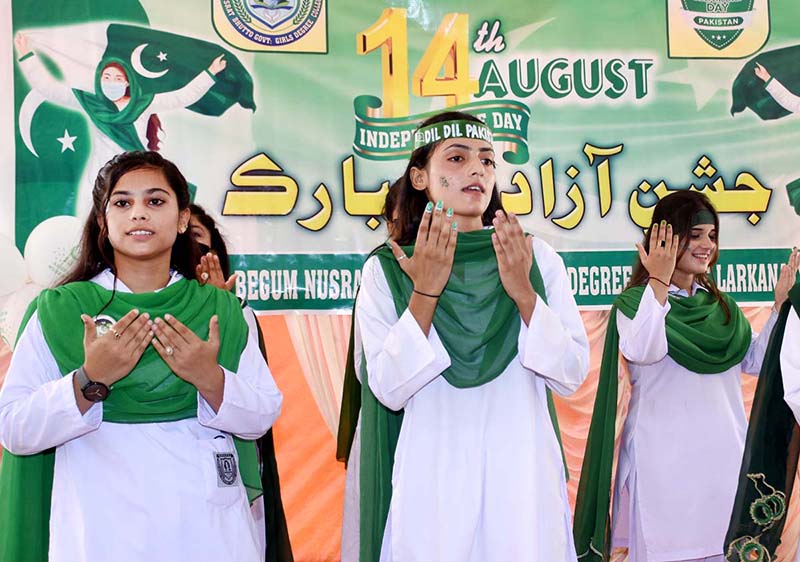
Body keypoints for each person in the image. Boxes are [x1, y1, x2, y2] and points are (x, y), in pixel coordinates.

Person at [0, 151, 283, 562]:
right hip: (101, 532)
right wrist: (89, 381)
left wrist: (210, 379)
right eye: (122, 202)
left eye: (155, 201)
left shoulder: (221, 311)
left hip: (208, 532)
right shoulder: (59, 311)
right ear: (103, 219)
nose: (138, 214)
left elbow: (262, 416)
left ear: (183, 218)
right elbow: (15, 429)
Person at [342, 110, 590, 562]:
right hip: (432, 483)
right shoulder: (388, 269)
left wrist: (523, 292)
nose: (478, 170)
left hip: (521, 479)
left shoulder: (535, 257)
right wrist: (425, 290)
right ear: (420, 177)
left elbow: (571, 373)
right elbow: (388, 389)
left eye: (488, 161)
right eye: (456, 158)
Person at [574, 190, 799, 562]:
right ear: (665, 239)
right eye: (695, 235)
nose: (706, 245)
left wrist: (778, 308)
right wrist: (658, 283)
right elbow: (645, 349)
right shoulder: (635, 304)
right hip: (665, 470)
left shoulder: (722, 307)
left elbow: (756, 362)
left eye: (711, 236)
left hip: (724, 465)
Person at [14, 32, 226, 217]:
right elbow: (48, 88)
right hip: (101, 178)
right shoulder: (92, 103)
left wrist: (210, 73)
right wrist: (26, 56)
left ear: (127, 83)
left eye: (117, 78)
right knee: (97, 227)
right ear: (99, 80)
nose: (111, 82)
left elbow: (183, 96)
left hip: (138, 176)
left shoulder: (144, 103)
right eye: (107, 77)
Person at [189, 203, 294, 562]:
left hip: (230, 461)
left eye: (198, 238)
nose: (189, 247)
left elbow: (255, 401)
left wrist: (222, 309)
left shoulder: (239, 310)